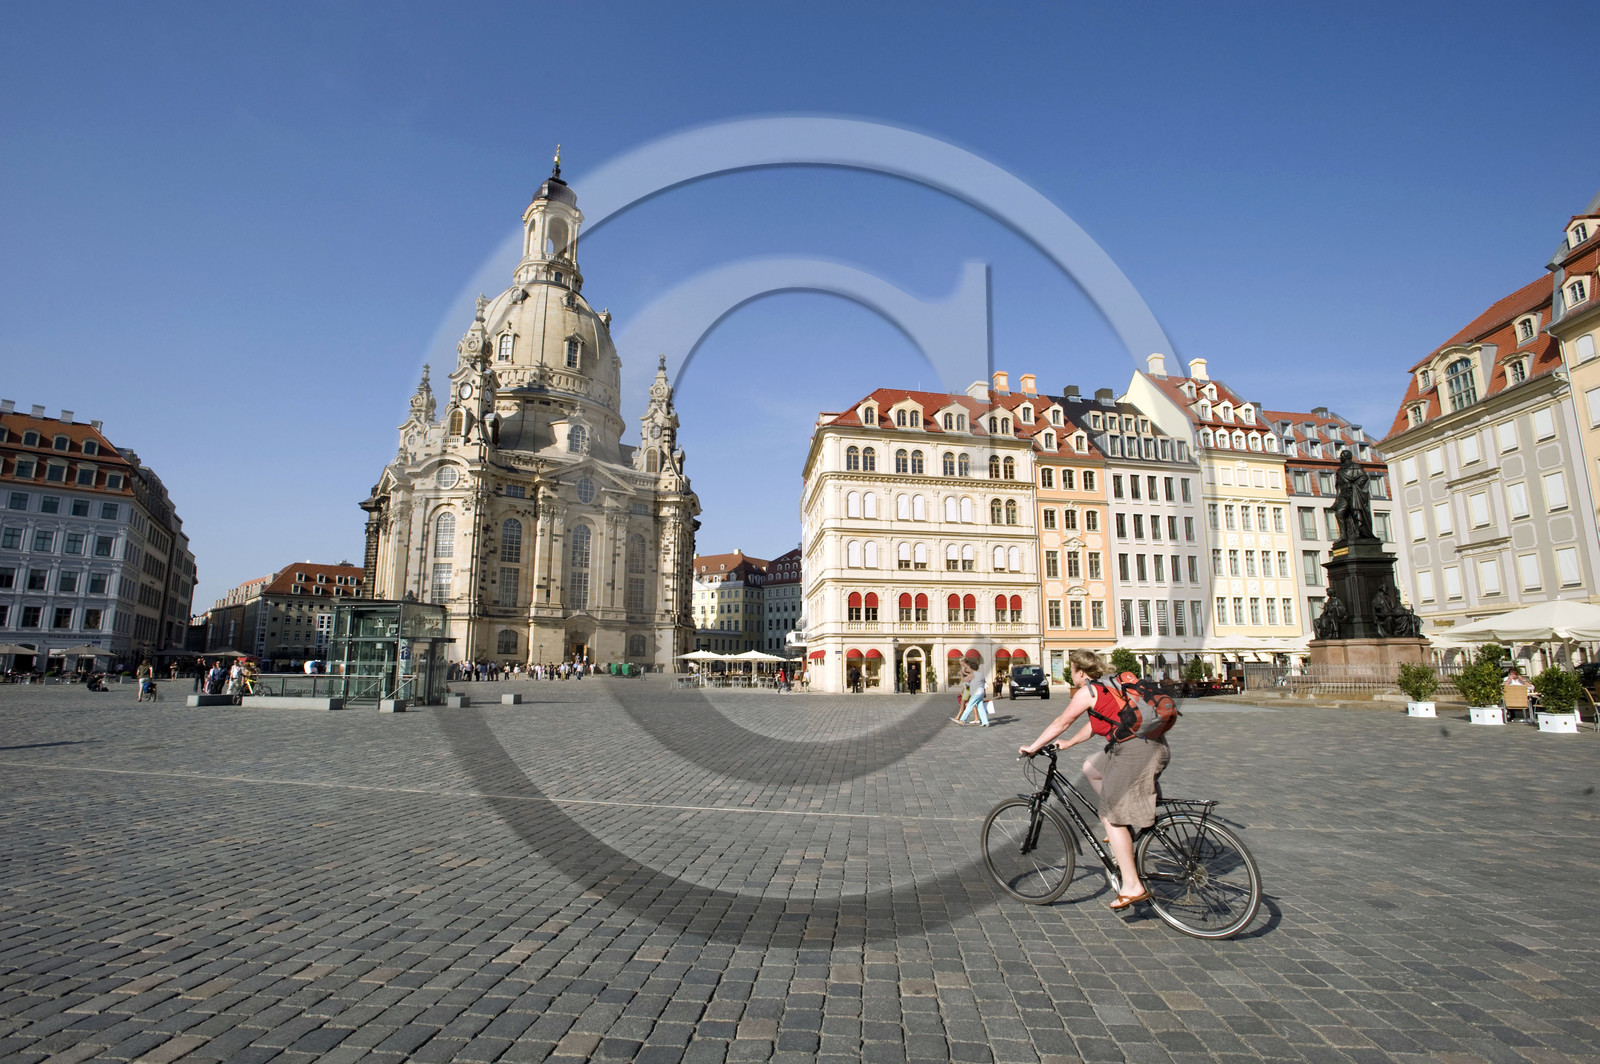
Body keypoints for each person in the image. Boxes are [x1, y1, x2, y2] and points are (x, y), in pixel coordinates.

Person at [1019, 648, 1171, 911]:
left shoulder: (1088, 691)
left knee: (1110, 814)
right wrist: (1070, 743)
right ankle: (1123, 830)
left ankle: (1132, 885)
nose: (1072, 676)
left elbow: (1062, 721)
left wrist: (1033, 746)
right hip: (1145, 746)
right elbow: (1098, 721)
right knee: (1091, 768)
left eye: (1072, 671)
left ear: (1080, 672)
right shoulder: (1110, 686)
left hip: (1137, 752)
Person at [953, 661, 991, 727]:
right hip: (981, 692)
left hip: (976, 693)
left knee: (969, 706)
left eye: (969, 667)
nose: (968, 669)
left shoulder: (973, 675)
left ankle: (962, 720)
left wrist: (961, 674)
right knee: (980, 707)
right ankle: (985, 722)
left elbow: (963, 680)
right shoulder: (980, 674)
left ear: (971, 668)